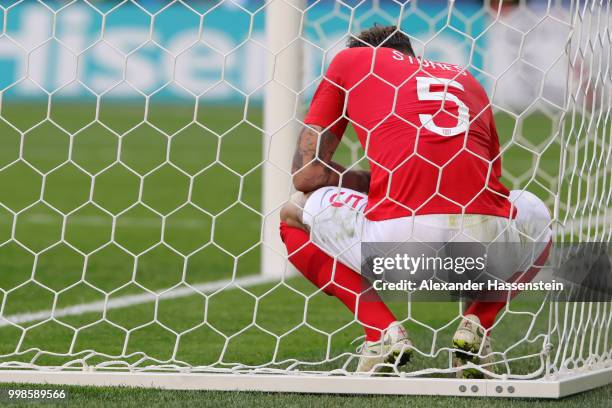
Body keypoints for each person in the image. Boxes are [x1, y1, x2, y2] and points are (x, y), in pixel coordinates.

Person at [279, 25, 552, 376]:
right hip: (483, 240)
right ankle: (477, 325)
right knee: (536, 213)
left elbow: (308, 174)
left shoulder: (352, 60)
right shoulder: (464, 77)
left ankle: (381, 332)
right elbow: (491, 184)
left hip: (400, 240)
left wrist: (367, 181)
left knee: (292, 211)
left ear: (367, 52)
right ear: (411, 53)